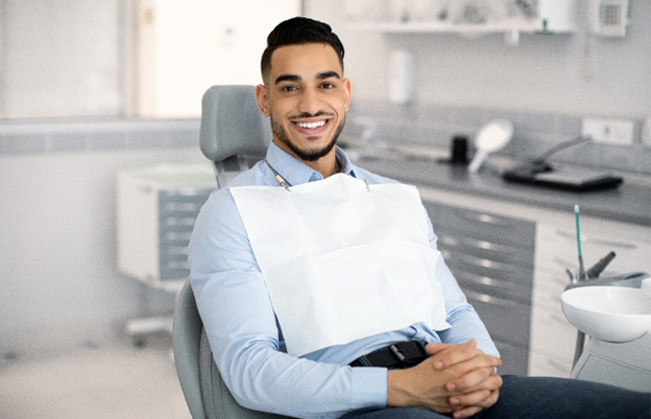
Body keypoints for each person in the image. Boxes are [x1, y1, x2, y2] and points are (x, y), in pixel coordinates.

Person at [190, 17, 650, 419]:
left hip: (449, 384)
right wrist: (402, 389)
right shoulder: (233, 212)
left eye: (326, 84)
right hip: (360, 402)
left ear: (345, 94)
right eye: (290, 87)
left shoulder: (392, 196)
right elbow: (249, 367)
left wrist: (480, 370)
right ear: (265, 100)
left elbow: (453, 311)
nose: (311, 105)